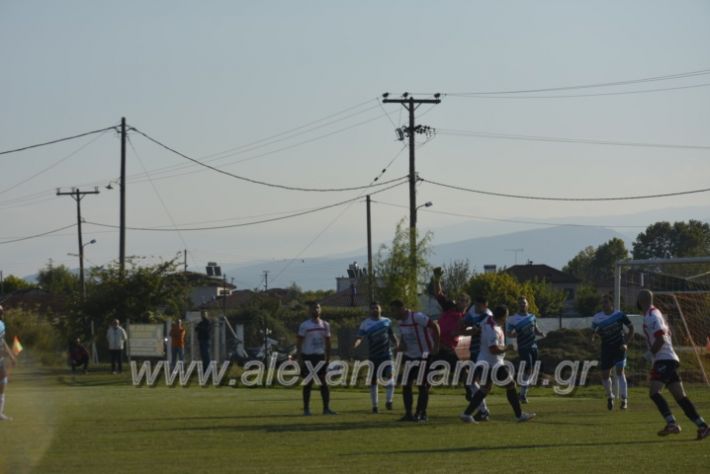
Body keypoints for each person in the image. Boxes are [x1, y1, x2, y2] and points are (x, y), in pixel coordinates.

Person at [639, 289, 709, 440]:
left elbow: (660, 339)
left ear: (640, 301)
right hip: (667, 358)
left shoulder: (652, 315)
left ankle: (672, 423)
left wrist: (648, 355)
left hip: (664, 359)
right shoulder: (653, 314)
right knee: (680, 397)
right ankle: (703, 426)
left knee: (654, 392)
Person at [460, 305, 536, 424]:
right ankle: (519, 415)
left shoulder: (488, 319)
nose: (507, 318)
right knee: (511, 384)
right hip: (492, 363)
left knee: (484, 389)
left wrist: (465, 331)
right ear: (503, 316)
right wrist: (507, 348)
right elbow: (493, 349)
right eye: (506, 316)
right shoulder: (493, 329)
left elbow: (477, 327)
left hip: (484, 361)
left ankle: (466, 414)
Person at [392, 299, 440, 423]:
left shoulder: (417, 317)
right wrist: (400, 347)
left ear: (401, 309)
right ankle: (408, 414)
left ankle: (421, 413)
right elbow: (404, 337)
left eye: (394, 311)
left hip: (424, 355)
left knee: (422, 385)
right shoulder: (400, 322)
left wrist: (436, 345)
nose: (393, 314)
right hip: (409, 356)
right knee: (406, 385)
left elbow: (435, 326)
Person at [353, 301, 398, 413]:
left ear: (380, 309)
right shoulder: (365, 323)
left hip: (387, 354)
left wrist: (397, 344)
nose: (375, 310)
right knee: (373, 380)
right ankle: (375, 406)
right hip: (374, 355)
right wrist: (356, 343)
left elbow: (392, 335)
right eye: (372, 308)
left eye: (376, 308)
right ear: (370, 310)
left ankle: (389, 401)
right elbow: (360, 337)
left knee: (390, 375)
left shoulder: (387, 321)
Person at [591, 294, 634, 410]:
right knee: (605, 375)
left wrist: (625, 343)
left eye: (606, 302)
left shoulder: (619, 315)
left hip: (619, 347)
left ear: (611, 303)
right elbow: (593, 332)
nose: (604, 305)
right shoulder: (597, 318)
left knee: (620, 372)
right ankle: (610, 396)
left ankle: (624, 400)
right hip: (606, 348)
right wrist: (594, 338)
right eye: (602, 303)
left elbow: (631, 328)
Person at [457, 295, 493, 420]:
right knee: (473, 382)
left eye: (479, 305)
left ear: (485, 305)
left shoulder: (487, 316)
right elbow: (461, 325)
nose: (476, 308)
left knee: (475, 382)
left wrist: (465, 330)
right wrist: (465, 327)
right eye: (475, 305)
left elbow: (477, 331)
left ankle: (483, 411)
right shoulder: (474, 312)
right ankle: (483, 411)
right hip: (475, 351)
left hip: (483, 353)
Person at [431, 268, 469, 386]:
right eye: (458, 300)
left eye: (462, 301)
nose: (459, 302)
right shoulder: (450, 307)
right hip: (437, 346)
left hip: (448, 349)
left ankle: (472, 393)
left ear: (467, 304)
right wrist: (437, 279)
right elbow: (439, 294)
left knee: (464, 372)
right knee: (427, 376)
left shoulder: (467, 317)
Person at [297, 302, 335, 416]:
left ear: (321, 310)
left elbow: (328, 343)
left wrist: (328, 358)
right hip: (308, 357)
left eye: (318, 308)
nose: (316, 310)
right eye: (313, 308)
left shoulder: (325, 325)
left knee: (324, 383)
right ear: (309, 310)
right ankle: (306, 409)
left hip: (320, 357)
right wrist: (300, 359)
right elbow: (299, 343)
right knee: (308, 383)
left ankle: (326, 408)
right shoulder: (304, 325)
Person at [506, 295, 544, 403]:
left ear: (527, 304)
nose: (522, 304)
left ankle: (522, 394)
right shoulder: (514, 319)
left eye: (524, 303)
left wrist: (541, 333)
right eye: (520, 303)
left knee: (531, 372)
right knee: (529, 369)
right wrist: (517, 335)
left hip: (533, 347)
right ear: (518, 305)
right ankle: (522, 395)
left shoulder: (532, 317)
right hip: (523, 347)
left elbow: (535, 330)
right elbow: (508, 333)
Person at [0, 305, 17, 421]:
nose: (2, 313)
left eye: (1, 311)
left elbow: (2, 341)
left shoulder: (1, 324)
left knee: (2, 384)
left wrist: (11, 355)